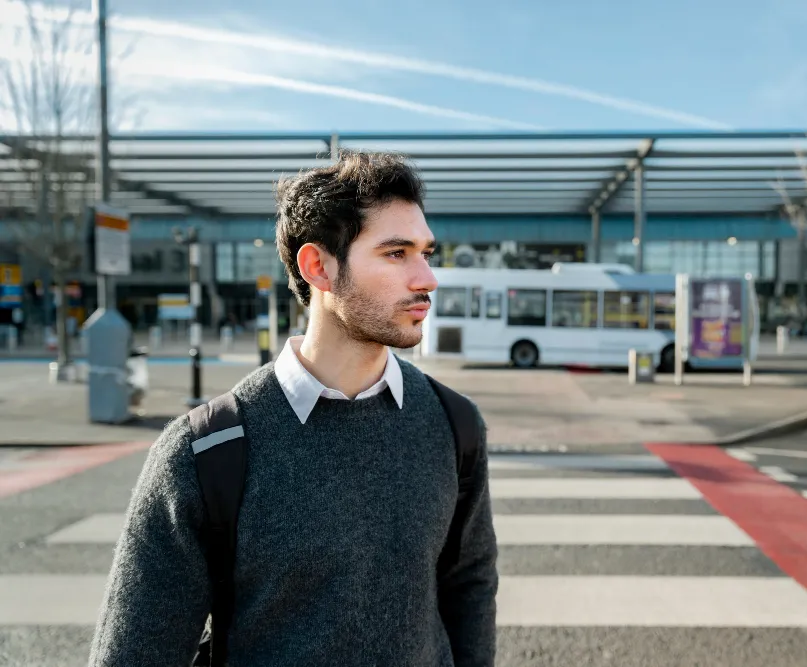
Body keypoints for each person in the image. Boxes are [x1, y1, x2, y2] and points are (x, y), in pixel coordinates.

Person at [87, 150, 499, 666]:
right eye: (396, 253)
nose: (427, 278)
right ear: (318, 267)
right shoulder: (205, 454)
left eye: (426, 253)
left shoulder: (454, 424)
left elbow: (470, 587)